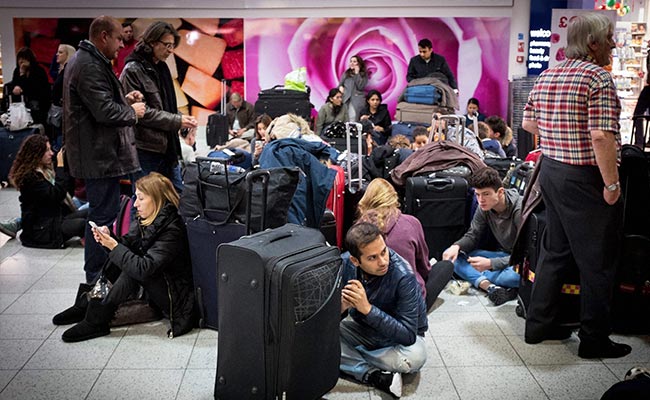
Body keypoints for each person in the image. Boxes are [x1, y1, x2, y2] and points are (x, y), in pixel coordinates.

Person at [522, 13, 632, 359]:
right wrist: (612, 184)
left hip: (551, 171)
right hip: (585, 177)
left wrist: (556, 137)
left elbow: (527, 122)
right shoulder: (598, 78)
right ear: (593, 43)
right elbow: (601, 135)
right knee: (597, 261)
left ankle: (538, 325)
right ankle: (594, 339)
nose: (614, 44)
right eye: (610, 38)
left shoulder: (548, 75)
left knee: (555, 250)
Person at [54, 172, 196, 342]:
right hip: (159, 283)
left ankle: (97, 319)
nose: (135, 204)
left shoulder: (172, 229)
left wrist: (114, 246)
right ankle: (87, 304)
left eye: (141, 199)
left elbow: (144, 269)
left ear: (158, 199)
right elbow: (127, 245)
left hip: (176, 299)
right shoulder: (149, 218)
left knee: (131, 266)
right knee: (124, 255)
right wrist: (110, 239)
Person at [63, 15, 146, 283]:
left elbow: (99, 101)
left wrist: (123, 97)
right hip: (99, 157)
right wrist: (131, 111)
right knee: (102, 220)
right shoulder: (89, 65)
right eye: (119, 38)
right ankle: (97, 280)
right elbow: (103, 111)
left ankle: (100, 278)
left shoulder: (86, 61)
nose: (123, 44)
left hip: (98, 155)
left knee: (102, 216)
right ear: (103, 37)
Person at [340, 222, 428, 398]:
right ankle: (375, 375)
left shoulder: (404, 276)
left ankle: (352, 358)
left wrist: (368, 309)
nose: (383, 262)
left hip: (400, 340)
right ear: (355, 261)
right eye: (372, 258)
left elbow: (408, 335)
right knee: (321, 336)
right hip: (365, 330)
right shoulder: (345, 264)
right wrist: (341, 307)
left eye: (384, 251)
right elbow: (328, 320)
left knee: (415, 358)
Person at [120, 20, 198, 193]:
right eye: (167, 45)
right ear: (153, 42)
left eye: (172, 46)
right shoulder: (132, 69)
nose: (170, 51)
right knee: (144, 200)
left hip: (167, 147)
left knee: (177, 197)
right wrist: (177, 120)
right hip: (145, 148)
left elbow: (164, 106)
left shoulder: (161, 68)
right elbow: (141, 112)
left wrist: (182, 119)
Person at [356, 178, 454, 308]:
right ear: (394, 199)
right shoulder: (410, 223)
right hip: (409, 304)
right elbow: (424, 267)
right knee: (445, 266)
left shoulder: (357, 230)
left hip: (370, 303)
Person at [442, 167, 522, 306]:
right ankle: (491, 287)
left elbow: (526, 254)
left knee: (513, 276)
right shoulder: (484, 206)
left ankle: (487, 281)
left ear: (500, 192)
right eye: (477, 194)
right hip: (503, 254)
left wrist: (491, 264)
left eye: (486, 194)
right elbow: (473, 235)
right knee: (456, 258)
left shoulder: (519, 210)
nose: (480, 200)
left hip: (520, 260)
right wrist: (456, 246)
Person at [7, 134, 87, 248]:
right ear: (36, 154)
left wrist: (66, 167)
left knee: (90, 213)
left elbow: (67, 190)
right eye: (47, 150)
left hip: (54, 218)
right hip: (41, 230)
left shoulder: (46, 170)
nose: (51, 153)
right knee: (81, 224)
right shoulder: (30, 177)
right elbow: (56, 195)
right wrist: (60, 166)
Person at [5, 47, 51, 124]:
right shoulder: (17, 71)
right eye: (19, 58)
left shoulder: (39, 71)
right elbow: (15, 86)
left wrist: (23, 75)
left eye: (24, 58)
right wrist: (19, 79)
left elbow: (33, 89)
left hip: (38, 104)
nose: (21, 61)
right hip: (21, 105)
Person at [50, 44, 76, 150]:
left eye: (60, 52)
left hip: (64, 117)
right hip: (58, 115)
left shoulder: (68, 72)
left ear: (68, 54)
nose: (57, 54)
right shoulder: (61, 72)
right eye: (58, 52)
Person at [338, 54, 368, 122]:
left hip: (357, 100)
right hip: (346, 99)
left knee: (354, 118)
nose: (352, 63)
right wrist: (340, 87)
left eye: (354, 61)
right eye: (351, 61)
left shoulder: (363, 74)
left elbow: (360, 86)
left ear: (359, 63)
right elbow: (340, 84)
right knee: (344, 118)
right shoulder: (346, 73)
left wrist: (357, 73)